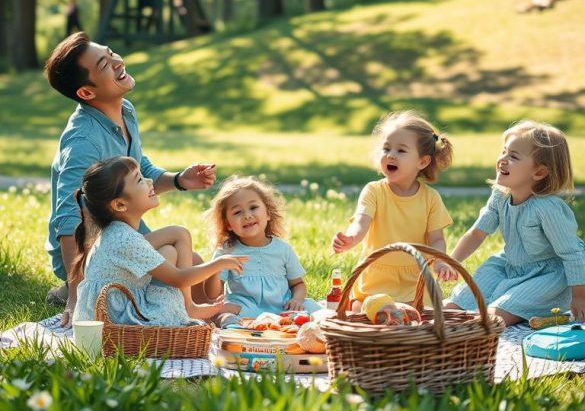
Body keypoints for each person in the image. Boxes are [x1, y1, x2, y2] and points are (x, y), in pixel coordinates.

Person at [44, 32, 216, 326]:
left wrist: (179, 180)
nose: (116, 60)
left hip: (127, 238)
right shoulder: (83, 140)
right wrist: (77, 294)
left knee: (200, 268)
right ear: (86, 92)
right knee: (175, 257)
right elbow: (69, 217)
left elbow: (141, 167)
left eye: (110, 52)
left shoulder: (125, 110)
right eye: (104, 64)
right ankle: (87, 291)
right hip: (98, 252)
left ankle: (188, 311)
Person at [72, 157, 245, 326]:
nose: (149, 181)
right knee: (169, 252)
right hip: (116, 315)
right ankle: (187, 309)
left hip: (121, 298)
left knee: (178, 234)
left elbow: (177, 239)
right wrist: (219, 263)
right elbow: (179, 279)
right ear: (120, 205)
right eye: (139, 179)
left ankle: (189, 306)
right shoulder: (124, 239)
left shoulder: (117, 231)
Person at [444, 121, 585, 324]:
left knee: (491, 318)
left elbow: (573, 254)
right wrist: (452, 262)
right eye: (504, 151)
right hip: (510, 265)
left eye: (513, 156)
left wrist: (579, 297)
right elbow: (477, 233)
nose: (502, 159)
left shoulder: (547, 208)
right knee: (453, 306)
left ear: (539, 173)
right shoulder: (500, 195)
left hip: (548, 276)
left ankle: (500, 313)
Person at [331, 110, 454, 309]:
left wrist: (439, 261)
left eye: (401, 151)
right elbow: (361, 223)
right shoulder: (374, 191)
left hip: (415, 279)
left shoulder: (430, 198)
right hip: (376, 278)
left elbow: (437, 239)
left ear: (422, 161)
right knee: (363, 310)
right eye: (386, 148)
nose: (391, 155)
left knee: (426, 312)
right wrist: (350, 239)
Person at [204, 175, 321, 323]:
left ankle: (297, 326)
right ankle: (237, 332)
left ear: (268, 214)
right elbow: (211, 294)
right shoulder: (227, 251)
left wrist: (296, 300)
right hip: (245, 309)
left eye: (253, 207)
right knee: (222, 313)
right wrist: (216, 266)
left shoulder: (283, 249)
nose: (247, 215)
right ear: (228, 224)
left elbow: (298, 284)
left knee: (315, 310)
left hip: (282, 309)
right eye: (237, 212)